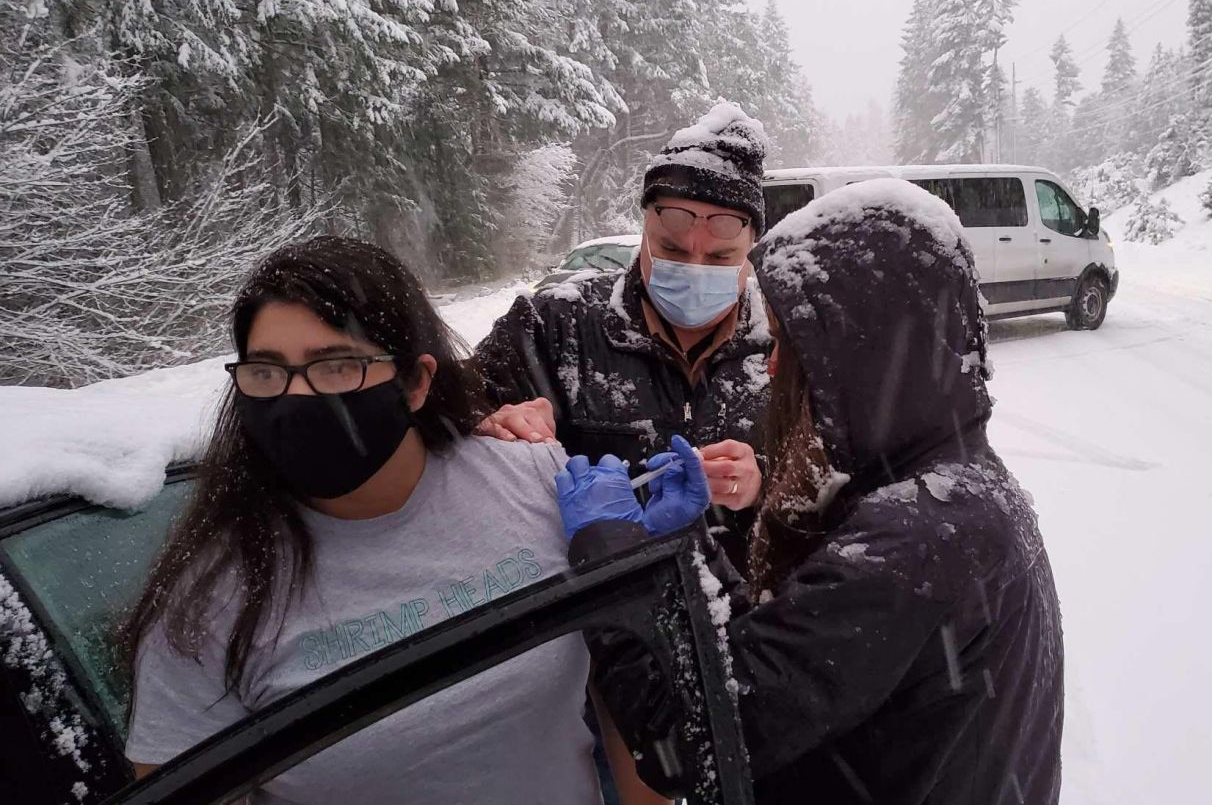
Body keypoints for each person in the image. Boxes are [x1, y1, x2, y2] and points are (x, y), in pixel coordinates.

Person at [557, 180, 1066, 805]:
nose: (771, 368)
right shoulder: (952, 486)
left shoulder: (922, 536)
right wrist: (686, 548)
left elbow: (694, 739)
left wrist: (612, 565)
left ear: (862, 353)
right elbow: (784, 655)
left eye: (788, 347)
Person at [121, 236, 661, 805]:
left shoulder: (532, 482)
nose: (296, 398)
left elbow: (623, 690)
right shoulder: (210, 598)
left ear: (415, 382)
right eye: (267, 373)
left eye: (336, 367)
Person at [474, 102, 772, 564]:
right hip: (598, 613)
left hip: (745, 616)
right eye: (672, 249)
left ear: (751, 245)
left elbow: (835, 484)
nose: (694, 268)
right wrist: (488, 422)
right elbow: (436, 419)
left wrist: (762, 484)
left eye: (719, 258)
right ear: (645, 230)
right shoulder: (555, 325)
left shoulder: (784, 346)